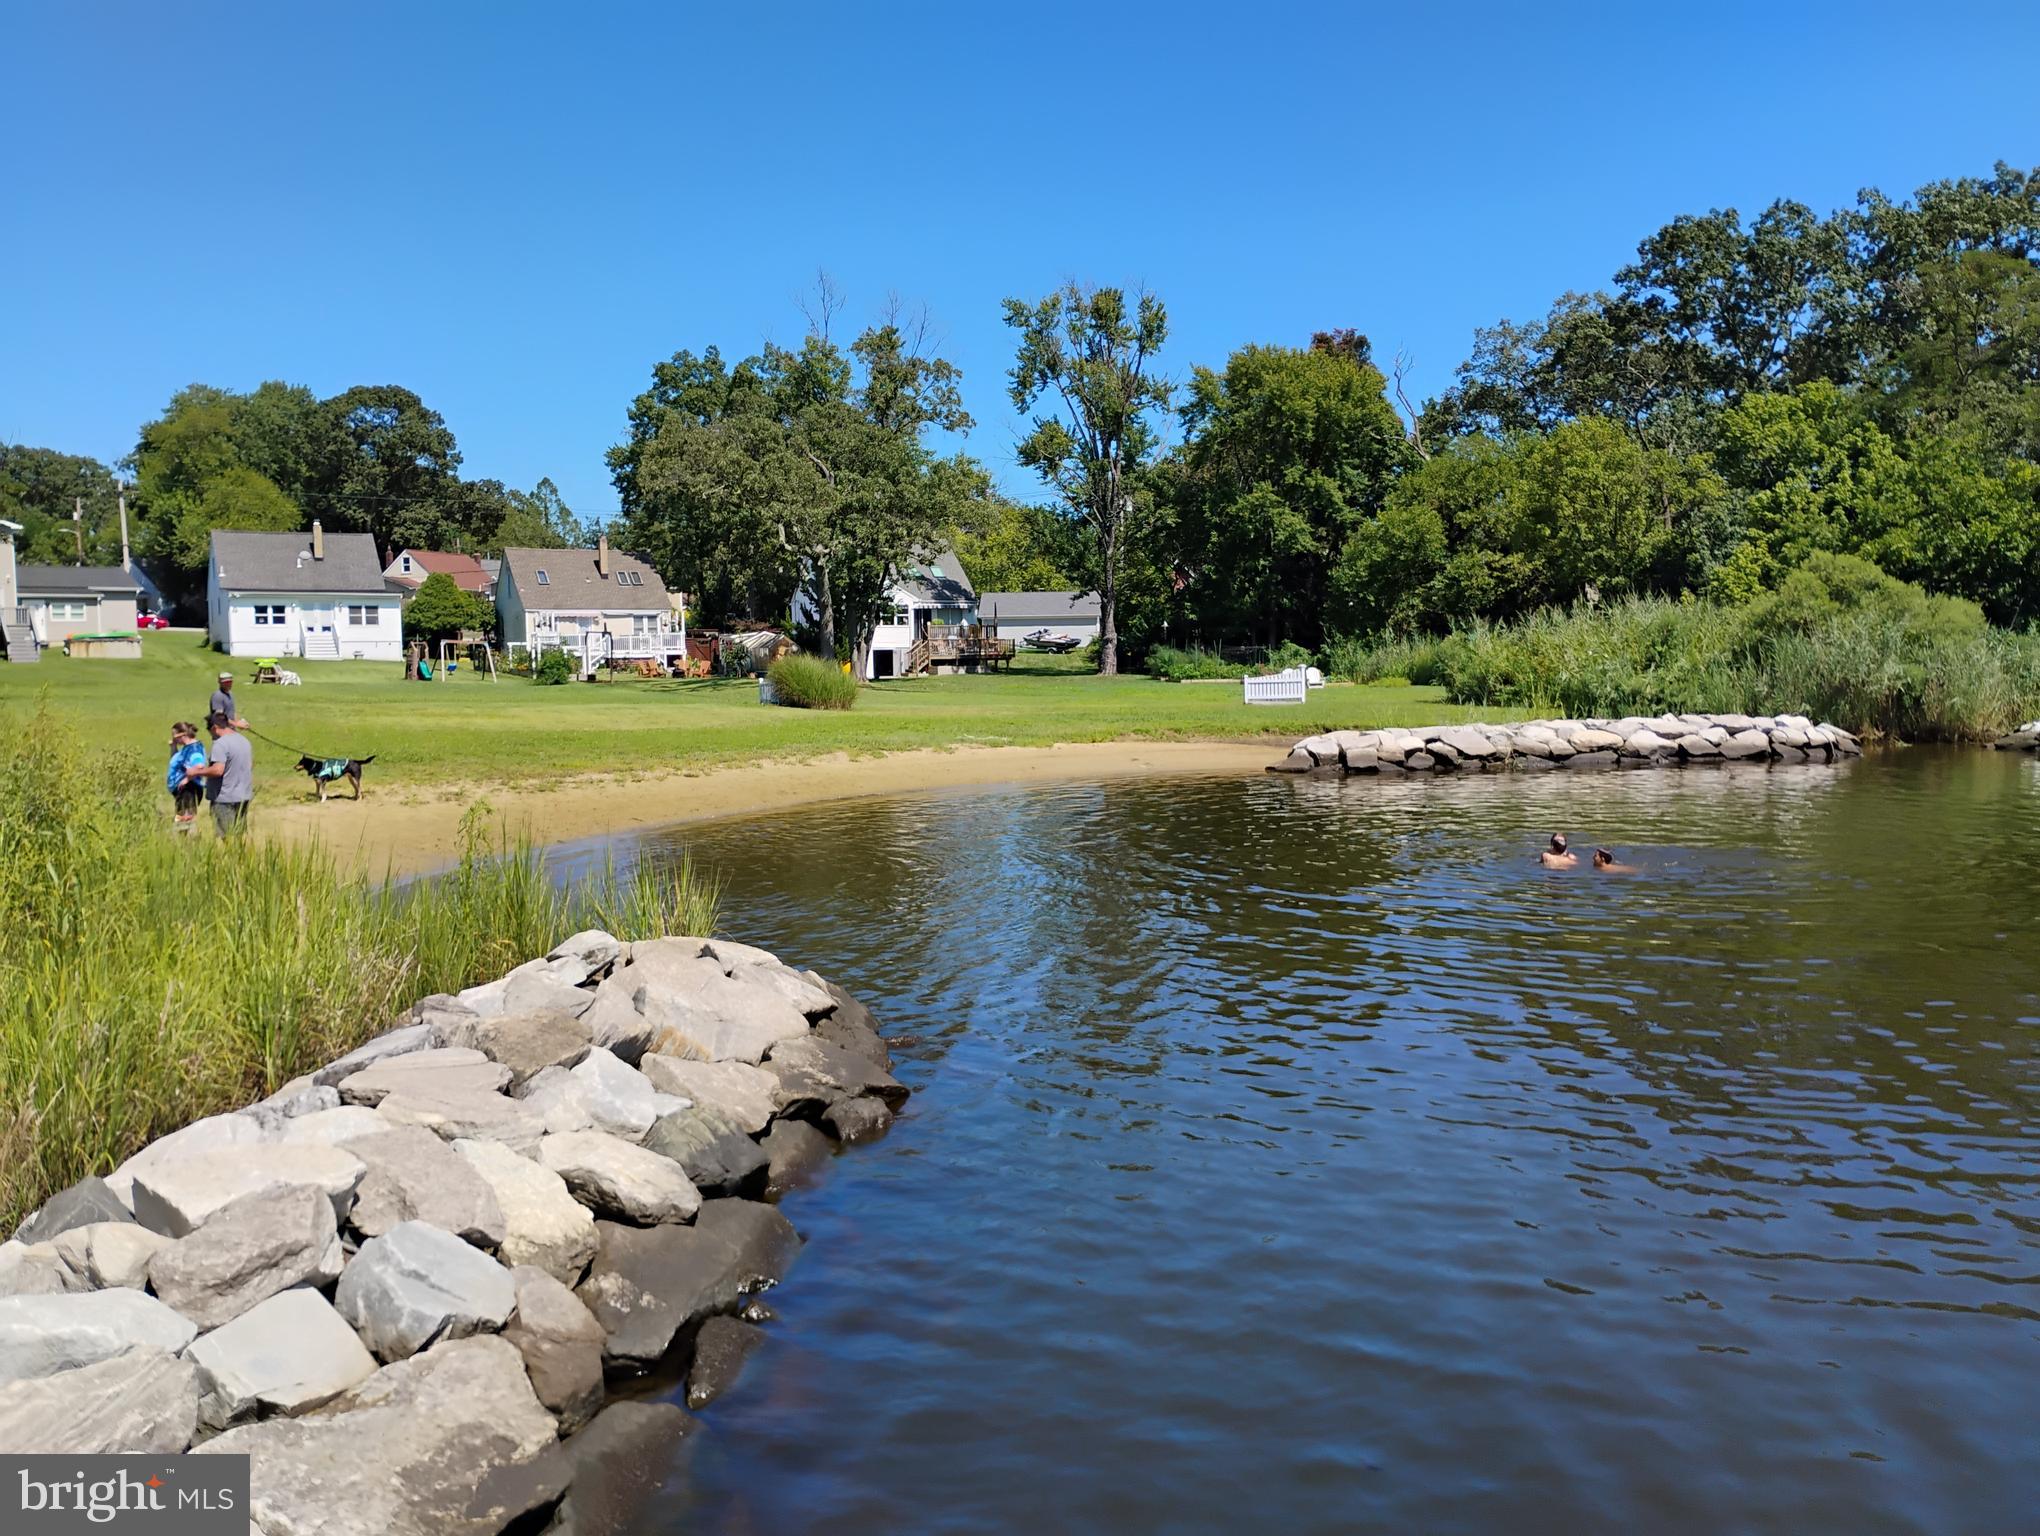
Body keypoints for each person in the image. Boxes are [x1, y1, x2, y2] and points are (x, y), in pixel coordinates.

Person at [183, 712, 254, 836]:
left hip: (225, 799)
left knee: (227, 837)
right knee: (238, 835)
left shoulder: (220, 744)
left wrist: (196, 772)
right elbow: (250, 765)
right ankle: (240, 855)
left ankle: (232, 855)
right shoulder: (244, 741)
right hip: (243, 796)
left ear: (214, 728)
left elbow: (217, 770)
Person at [165, 721, 206, 830]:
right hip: (182, 790)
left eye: (174, 736)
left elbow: (199, 766)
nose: (173, 739)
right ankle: (183, 838)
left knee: (184, 819)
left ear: (182, 735)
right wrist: (173, 746)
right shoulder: (186, 748)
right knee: (181, 817)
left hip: (188, 790)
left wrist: (187, 779)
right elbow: (176, 761)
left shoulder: (194, 748)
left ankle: (186, 841)